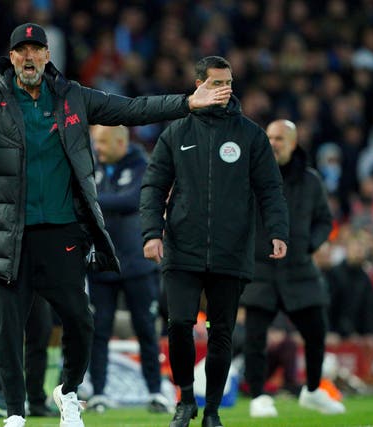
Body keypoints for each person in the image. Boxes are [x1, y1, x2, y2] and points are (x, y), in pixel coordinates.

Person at [0, 23, 230, 427]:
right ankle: (14, 413)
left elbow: (132, 109)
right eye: (21, 51)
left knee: (81, 320)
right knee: (8, 327)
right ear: (11, 58)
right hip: (8, 233)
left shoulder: (73, 96)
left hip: (62, 231)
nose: (29, 57)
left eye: (36, 50)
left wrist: (188, 102)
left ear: (47, 56)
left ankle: (67, 391)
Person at [139, 56, 289, 427]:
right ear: (199, 86)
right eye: (216, 83)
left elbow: (270, 188)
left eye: (228, 83)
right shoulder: (176, 133)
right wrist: (150, 233)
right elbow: (154, 186)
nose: (224, 89)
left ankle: (212, 413)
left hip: (231, 249)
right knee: (178, 324)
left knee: (222, 332)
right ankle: (185, 401)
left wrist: (278, 231)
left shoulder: (251, 135)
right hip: (182, 246)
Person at [241, 119, 346, 417]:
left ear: (293, 143)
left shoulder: (311, 180)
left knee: (316, 332)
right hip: (260, 267)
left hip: (299, 268)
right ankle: (259, 396)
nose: (273, 143)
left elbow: (325, 220)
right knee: (255, 336)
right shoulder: (251, 175)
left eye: (279, 139)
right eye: (270, 137)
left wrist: (308, 245)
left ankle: (312, 391)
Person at [86, 125, 169, 413]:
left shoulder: (143, 166)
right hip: (101, 263)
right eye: (96, 142)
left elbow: (133, 200)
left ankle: (155, 392)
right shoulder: (91, 164)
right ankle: (97, 392)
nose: (98, 148)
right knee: (99, 331)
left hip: (137, 264)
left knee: (146, 329)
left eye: (103, 142)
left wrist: (90, 199)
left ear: (121, 142)